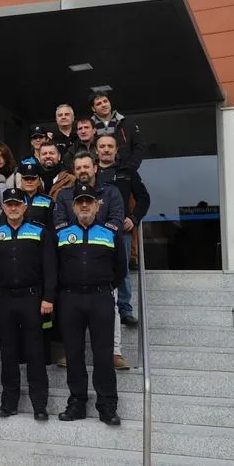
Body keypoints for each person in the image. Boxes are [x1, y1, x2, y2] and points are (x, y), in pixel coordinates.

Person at [55, 183, 127, 426]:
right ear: (73, 207)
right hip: (70, 299)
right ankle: (77, 402)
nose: (84, 205)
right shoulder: (61, 234)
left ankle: (107, 405)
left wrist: (103, 286)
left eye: (89, 201)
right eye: (80, 202)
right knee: (73, 353)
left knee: (103, 354)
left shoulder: (110, 233)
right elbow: (54, 267)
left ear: (97, 206)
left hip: (100, 298)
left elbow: (120, 269)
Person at [0, 188, 55, 421]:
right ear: (3, 208)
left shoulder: (40, 232)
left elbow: (50, 267)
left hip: (32, 298)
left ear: (25, 207)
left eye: (17, 204)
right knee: (8, 353)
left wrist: (48, 297)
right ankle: (9, 402)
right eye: (9, 204)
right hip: (4, 300)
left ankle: (39, 404)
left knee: (35, 353)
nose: (13, 208)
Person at [95, 134, 151, 327]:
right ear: (96, 150)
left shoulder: (127, 172)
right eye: (102, 146)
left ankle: (125, 310)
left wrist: (134, 218)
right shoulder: (90, 171)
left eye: (110, 146)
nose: (106, 149)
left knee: (122, 270)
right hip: (94, 230)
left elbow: (144, 198)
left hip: (121, 231)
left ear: (116, 150)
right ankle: (98, 308)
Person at [89, 91, 145, 170]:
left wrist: (132, 166)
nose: (103, 105)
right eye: (99, 104)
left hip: (125, 169)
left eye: (105, 101)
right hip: (97, 172)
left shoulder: (127, 122)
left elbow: (139, 146)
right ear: (93, 108)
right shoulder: (88, 126)